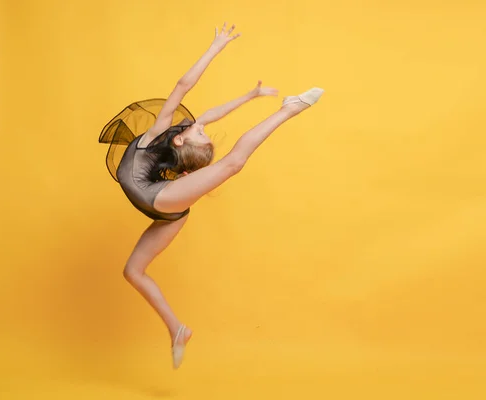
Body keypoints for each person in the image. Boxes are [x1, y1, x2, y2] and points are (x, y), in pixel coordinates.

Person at [98, 22, 324, 369]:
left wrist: (221, 53)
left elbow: (188, 97)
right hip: (164, 206)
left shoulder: (164, 139)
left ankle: (289, 109)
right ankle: (177, 330)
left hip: (160, 199)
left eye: (198, 133)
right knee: (133, 272)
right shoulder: (158, 135)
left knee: (234, 164)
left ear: (180, 141)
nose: (200, 125)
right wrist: (227, 62)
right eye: (199, 131)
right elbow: (190, 93)